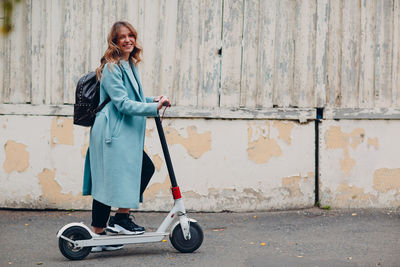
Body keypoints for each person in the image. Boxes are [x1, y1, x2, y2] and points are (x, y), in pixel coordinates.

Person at [82, 21, 171, 252]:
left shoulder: (129, 64)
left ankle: (120, 219)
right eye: (122, 37)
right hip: (112, 131)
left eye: (131, 35)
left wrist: (153, 100)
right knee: (107, 181)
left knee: (142, 169)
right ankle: (97, 235)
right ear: (115, 41)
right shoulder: (111, 67)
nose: (128, 40)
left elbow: (134, 96)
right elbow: (122, 103)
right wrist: (153, 109)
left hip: (122, 131)